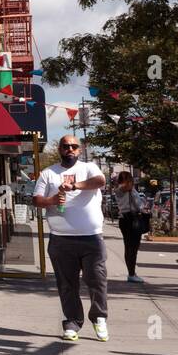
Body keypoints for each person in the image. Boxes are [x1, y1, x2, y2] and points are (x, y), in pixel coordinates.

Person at [32, 136, 109, 342]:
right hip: (61, 240)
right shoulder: (48, 173)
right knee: (67, 285)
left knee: (96, 279)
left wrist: (75, 186)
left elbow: (100, 181)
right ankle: (72, 322)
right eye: (66, 146)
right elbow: (36, 199)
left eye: (74, 146)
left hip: (91, 238)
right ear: (59, 149)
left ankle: (99, 317)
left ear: (80, 149)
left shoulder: (89, 168)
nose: (70, 149)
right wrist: (52, 200)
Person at [114, 171, 148, 284]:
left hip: (123, 219)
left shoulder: (118, 190)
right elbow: (139, 206)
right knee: (133, 248)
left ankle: (131, 273)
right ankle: (132, 274)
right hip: (132, 219)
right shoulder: (130, 190)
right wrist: (144, 208)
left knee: (128, 247)